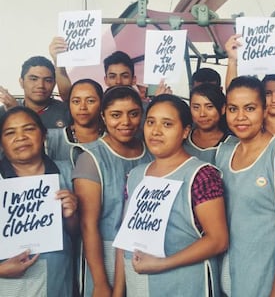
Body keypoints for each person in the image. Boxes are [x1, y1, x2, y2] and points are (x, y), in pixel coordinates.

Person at [114, 94, 228, 296]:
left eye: (167, 124)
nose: (156, 131)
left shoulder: (201, 175)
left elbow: (218, 240)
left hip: (187, 285)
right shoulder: (136, 175)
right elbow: (126, 239)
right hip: (140, 287)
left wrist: (162, 264)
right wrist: (118, 292)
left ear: (185, 131)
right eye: (150, 122)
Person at [215, 76, 275, 297]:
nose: (240, 117)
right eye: (233, 109)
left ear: (264, 111)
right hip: (234, 268)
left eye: (250, 108)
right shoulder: (224, 152)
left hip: (269, 272)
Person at [72, 85, 152, 297]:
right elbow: (88, 225)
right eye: (116, 115)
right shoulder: (91, 158)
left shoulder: (152, 153)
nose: (126, 122)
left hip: (143, 252)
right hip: (104, 253)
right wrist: (99, 282)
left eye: (133, 114)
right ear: (103, 117)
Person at [0, 106, 78, 297]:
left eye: (29, 129)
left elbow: (79, 235)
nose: (21, 137)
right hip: (8, 284)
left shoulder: (68, 172)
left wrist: (71, 216)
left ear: (44, 135)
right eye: (10, 133)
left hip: (58, 280)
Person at [224, 35, 275, 152]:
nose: (274, 99)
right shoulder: (249, 128)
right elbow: (234, 94)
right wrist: (232, 60)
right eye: (268, 93)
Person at [0, 56, 70, 129]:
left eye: (48, 80)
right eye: (33, 79)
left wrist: (18, 112)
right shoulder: (5, 111)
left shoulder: (66, 112)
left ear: (54, 84)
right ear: (21, 82)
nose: (41, 85)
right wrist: (14, 112)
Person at [46, 78, 104, 161]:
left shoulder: (113, 138)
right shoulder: (51, 139)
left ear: (101, 103)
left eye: (90, 101)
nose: (82, 107)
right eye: (76, 101)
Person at [185, 82, 236, 163]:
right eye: (196, 107)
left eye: (209, 107)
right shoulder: (182, 139)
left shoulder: (234, 145)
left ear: (223, 109)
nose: (202, 114)